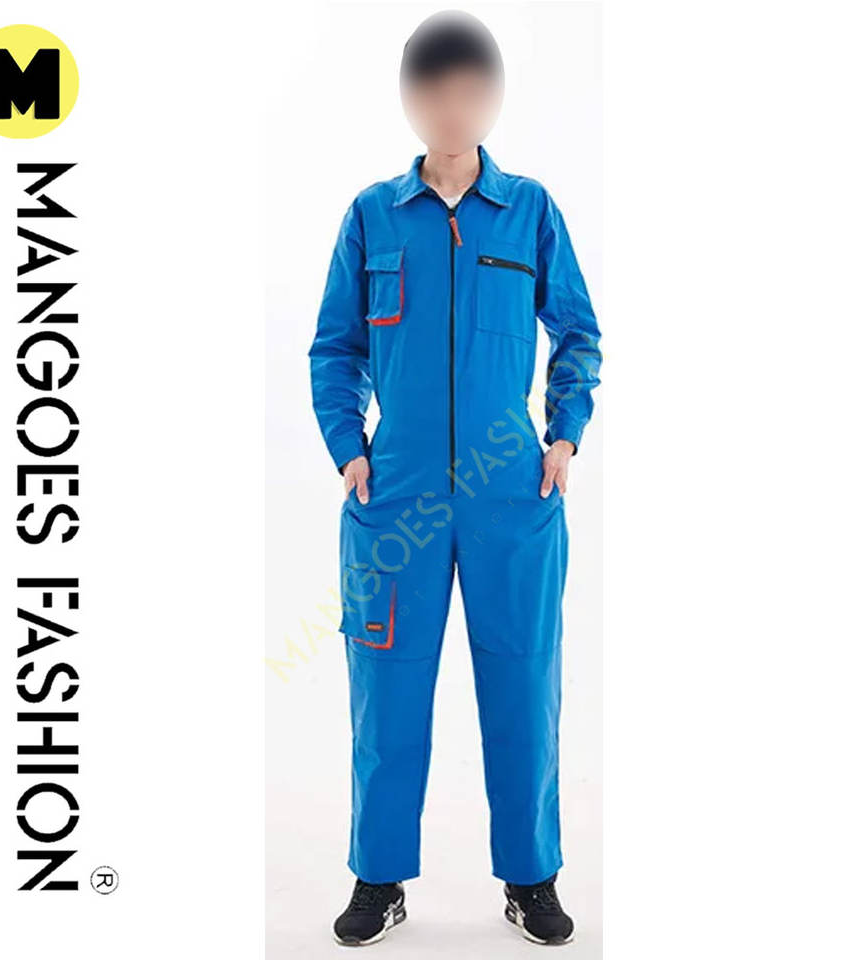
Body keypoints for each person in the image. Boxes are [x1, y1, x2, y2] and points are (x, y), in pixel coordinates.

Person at [308, 9, 602, 947]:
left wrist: (564, 437)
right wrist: (349, 448)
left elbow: (579, 334)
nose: (452, 104)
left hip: (514, 492)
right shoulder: (371, 215)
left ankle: (532, 877)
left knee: (524, 685)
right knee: (386, 692)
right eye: (433, 88)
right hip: (392, 495)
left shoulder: (531, 210)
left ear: (494, 97)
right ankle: (378, 877)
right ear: (409, 99)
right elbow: (335, 348)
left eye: (470, 87)